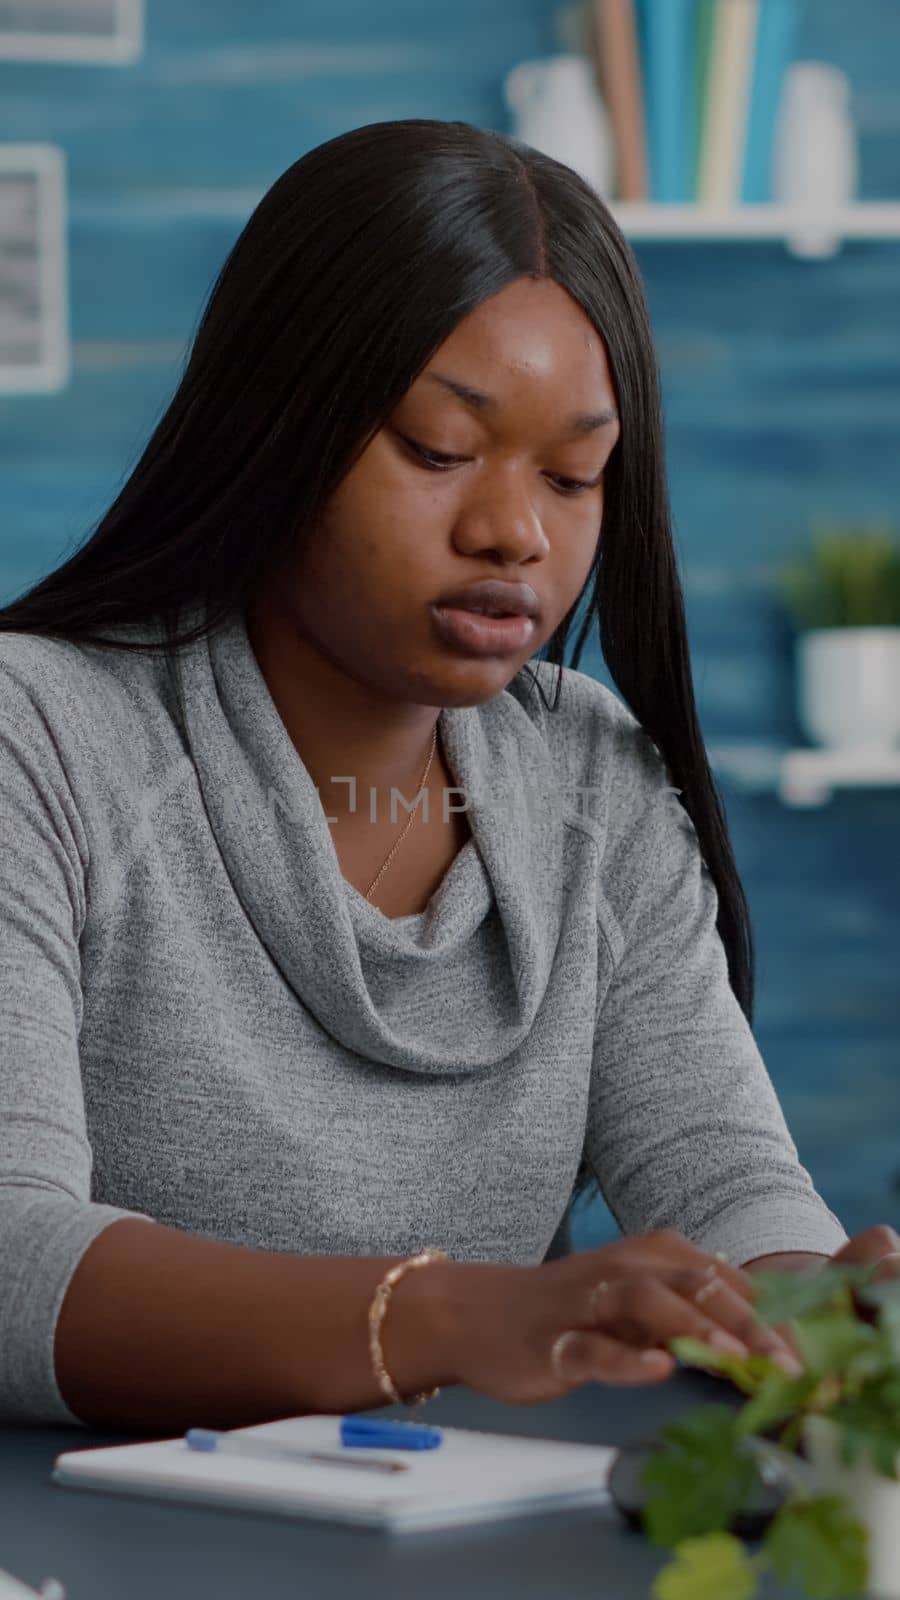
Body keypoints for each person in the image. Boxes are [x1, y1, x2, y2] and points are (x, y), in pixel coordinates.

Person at [0, 119, 896, 1433]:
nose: (513, 532)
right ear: (278, 421)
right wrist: (460, 1316)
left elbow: (724, 1182)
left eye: (576, 475)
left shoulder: (594, 776)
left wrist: (814, 1310)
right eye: (436, 448)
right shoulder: (40, 736)